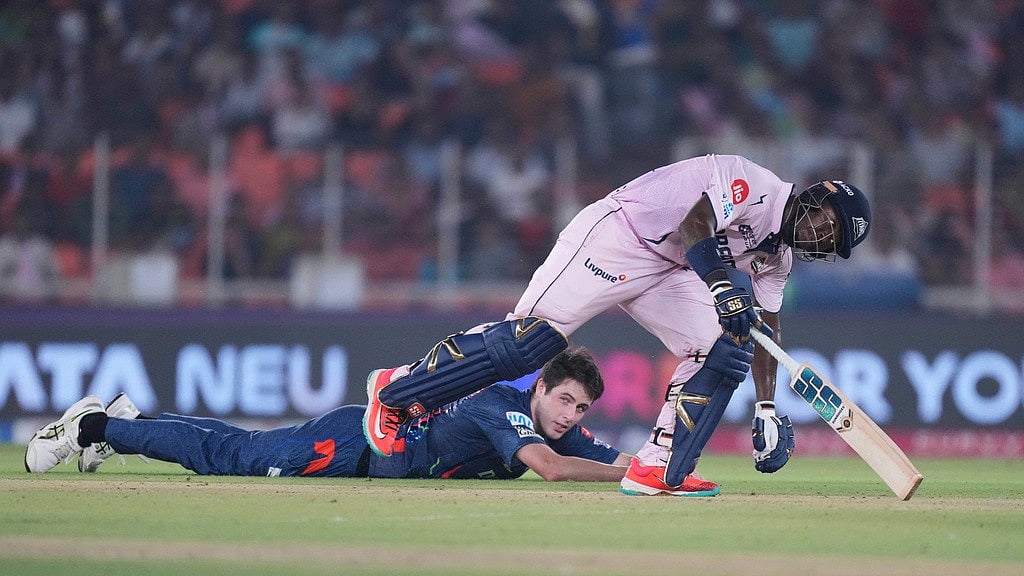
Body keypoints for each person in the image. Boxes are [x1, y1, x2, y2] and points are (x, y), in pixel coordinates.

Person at [363, 153, 872, 496]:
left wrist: (766, 407)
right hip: (619, 236)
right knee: (532, 342)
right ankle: (398, 389)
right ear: (815, 196)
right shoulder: (752, 184)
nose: (823, 236)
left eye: (833, 241)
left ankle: (659, 466)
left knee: (726, 344)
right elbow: (695, 225)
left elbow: (767, 329)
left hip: (671, 270)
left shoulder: (778, 260)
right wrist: (722, 286)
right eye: (827, 221)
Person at [24, 349, 722, 491]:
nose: (571, 415)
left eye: (580, 408)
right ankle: (95, 427)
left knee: (232, 448)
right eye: (564, 400)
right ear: (540, 388)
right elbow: (553, 469)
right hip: (356, 444)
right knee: (230, 456)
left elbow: (608, 454)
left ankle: (127, 420)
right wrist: (639, 477)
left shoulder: (559, 427)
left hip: (379, 461)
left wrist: (662, 466)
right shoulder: (502, 408)